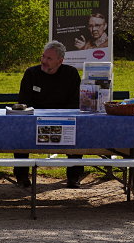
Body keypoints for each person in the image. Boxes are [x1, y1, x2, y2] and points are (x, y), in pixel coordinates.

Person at [14, 40, 83, 189]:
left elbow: (75, 102)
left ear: (60, 61)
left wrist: (60, 117)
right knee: (20, 131)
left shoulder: (71, 74)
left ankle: (74, 177)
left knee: (76, 131)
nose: (44, 61)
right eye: (43, 57)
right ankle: (21, 176)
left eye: (49, 58)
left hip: (64, 121)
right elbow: (23, 102)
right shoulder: (31, 73)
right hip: (35, 121)